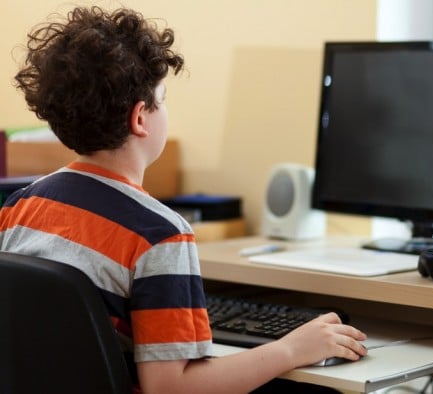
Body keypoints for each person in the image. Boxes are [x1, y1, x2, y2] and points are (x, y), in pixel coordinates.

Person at [0, 6, 367, 393]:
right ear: (141, 118)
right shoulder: (159, 235)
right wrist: (291, 348)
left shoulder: (19, 206)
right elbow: (170, 388)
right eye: (164, 97)